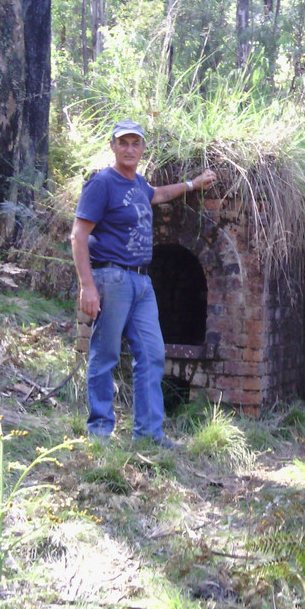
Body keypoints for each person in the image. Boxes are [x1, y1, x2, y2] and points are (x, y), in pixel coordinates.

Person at [70, 119, 217, 447]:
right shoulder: (102, 184)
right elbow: (79, 235)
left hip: (141, 282)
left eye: (135, 143)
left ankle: (149, 434)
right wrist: (87, 285)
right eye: (123, 142)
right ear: (113, 146)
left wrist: (193, 184)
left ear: (143, 149)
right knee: (105, 354)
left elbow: (160, 194)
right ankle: (99, 433)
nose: (129, 149)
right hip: (111, 277)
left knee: (151, 355)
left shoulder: (138, 184)